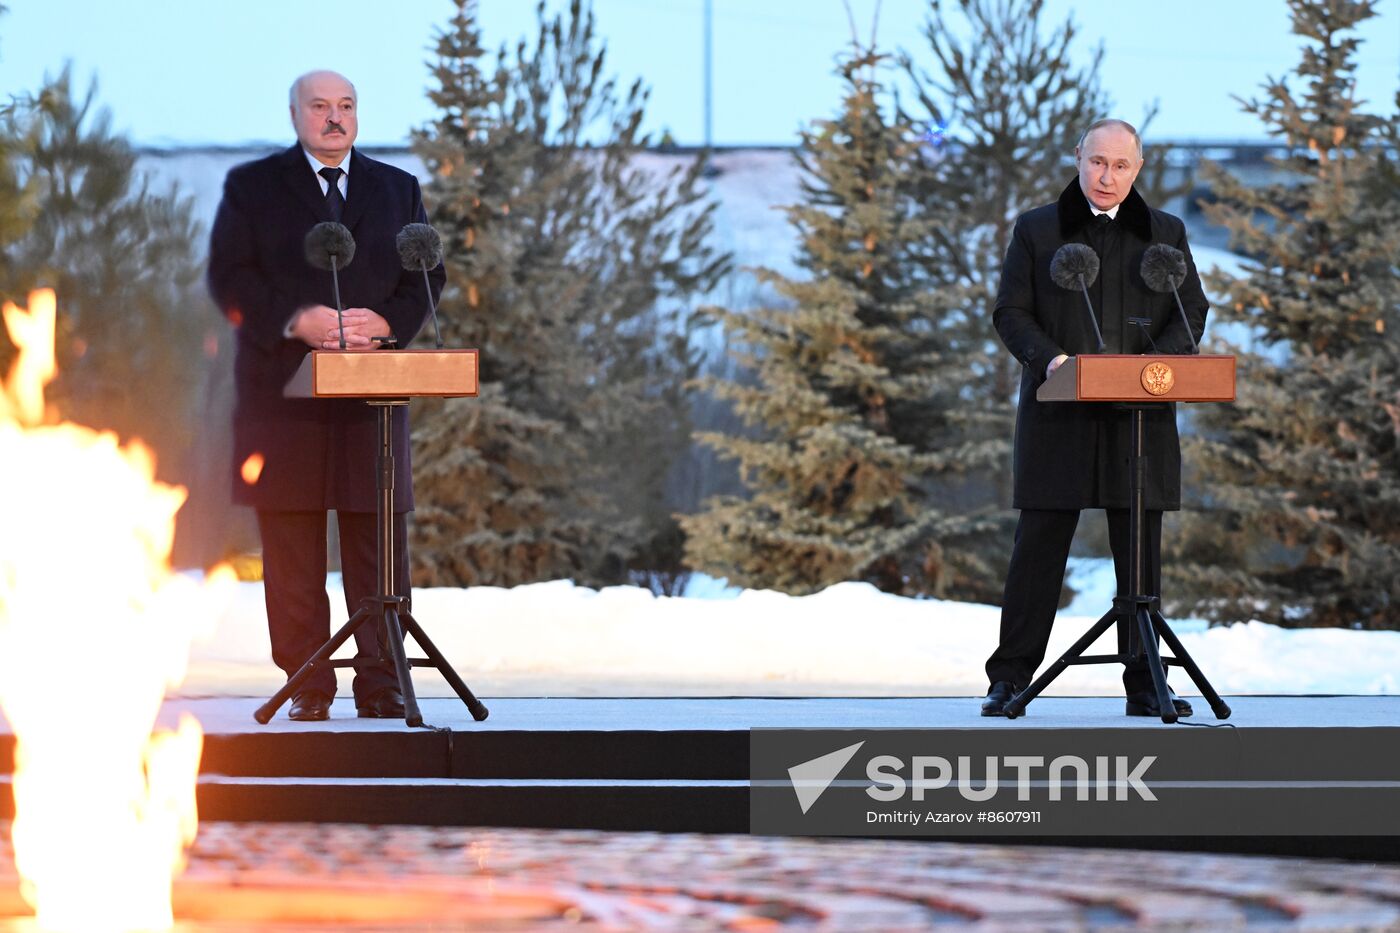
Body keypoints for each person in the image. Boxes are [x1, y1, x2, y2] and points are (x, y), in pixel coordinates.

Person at [207, 70, 444, 721]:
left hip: (371, 399)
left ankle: (381, 679)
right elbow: (230, 278)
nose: (334, 118)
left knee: (377, 543)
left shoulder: (398, 189)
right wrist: (299, 319)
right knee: (292, 545)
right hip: (282, 397)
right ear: (295, 115)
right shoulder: (254, 188)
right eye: (320, 107)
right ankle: (308, 680)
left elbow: (427, 275)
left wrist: (388, 322)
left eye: (346, 106)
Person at [982, 118, 1208, 718]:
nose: (1107, 177)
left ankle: (1145, 683)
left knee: (1139, 553)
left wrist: (1156, 367)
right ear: (1078, 156)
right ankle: (1009, 677)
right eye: (1097, 162)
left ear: (1138, 168)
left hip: (1140, 416)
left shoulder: (1166, 233)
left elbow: (1191, 309)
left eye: (1121, 166)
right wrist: (1054, 361)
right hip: (1059, 410)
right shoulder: (1037, 229)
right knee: (1039, 548)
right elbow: (1011, 311)